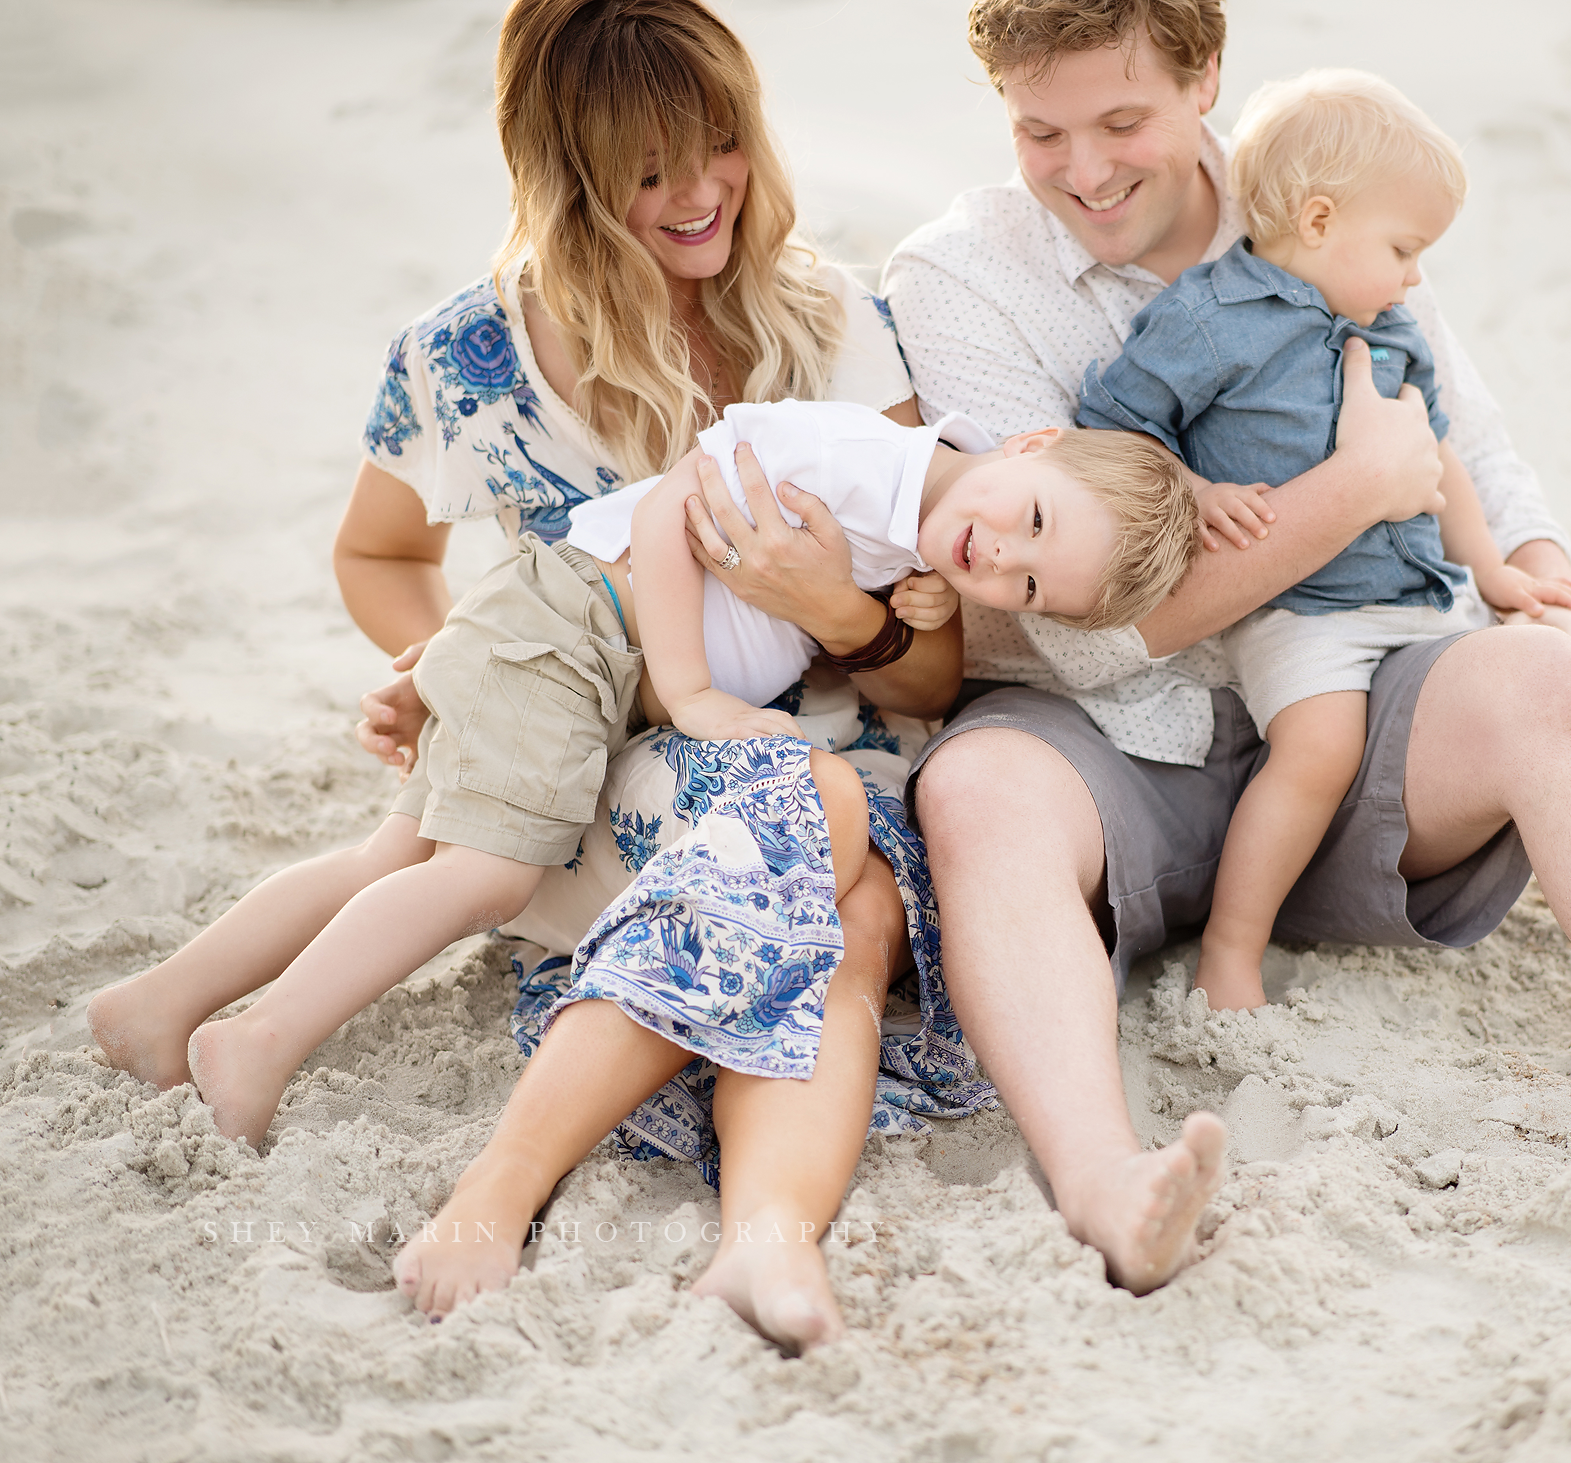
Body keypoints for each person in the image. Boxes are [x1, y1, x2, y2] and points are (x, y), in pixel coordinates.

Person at [878, 0, 1571, 1295]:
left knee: (1539, 678)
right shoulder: (959, 275)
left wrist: (1546, 580)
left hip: (1352, 694)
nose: (1084, 170)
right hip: (1109, 746)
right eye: (1041, 132)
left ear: (1205, 81)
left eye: (1122, 121)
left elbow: (1467, 437)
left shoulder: (1328, 182)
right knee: (975, 786)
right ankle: (1107, 1182)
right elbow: (1070, 628)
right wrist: (1354, 490)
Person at [86, 0, 977, 1353]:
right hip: (591, 758)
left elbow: (938, 672)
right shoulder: (468, 354)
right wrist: (441, 662)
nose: (698, 195)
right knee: (715, 837)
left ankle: (754, 1236)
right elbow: (380, 550)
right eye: (647, 170)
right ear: (566, 177)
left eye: (720, 144)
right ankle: (509, 1175)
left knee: (804, 840)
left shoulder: (841, 330)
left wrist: (843, 614)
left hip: (746, 763)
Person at [84, 396, 1195, 1149]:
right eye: (1032, 521)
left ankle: (158, 1005)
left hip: (569, 641)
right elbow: (671, 503)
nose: (1002, 559)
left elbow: (912, 651)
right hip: (583, 628)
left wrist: (917, 600)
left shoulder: (916, 535)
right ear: (1028, 442)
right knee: (485, 877)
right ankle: (257, 1039)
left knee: (396, 854)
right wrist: (690, 686)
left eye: (1032, 587)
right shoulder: (867, 466)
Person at [1077, 69, 1571, 1010]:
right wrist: (1191, 490)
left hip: (1418, 594)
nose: (1415, 274)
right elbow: (1110, 423)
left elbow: (1442, 456)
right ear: (1317, 221)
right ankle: (1234, 945)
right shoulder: (1209, 318)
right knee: (1316, 752)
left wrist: (1497, 574)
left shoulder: (1390, 329)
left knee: (1554, 691)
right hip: (1298, 608)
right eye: (1403, 247)